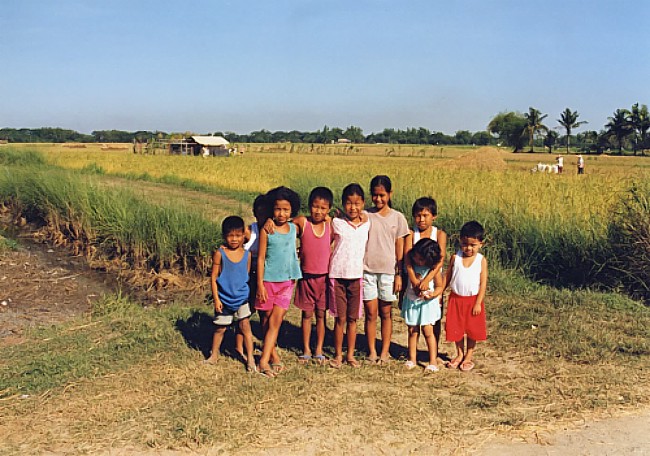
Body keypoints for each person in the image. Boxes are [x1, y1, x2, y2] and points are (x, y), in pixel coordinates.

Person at [256, 186, 302, 377]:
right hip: (267, 281)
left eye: (286, 209)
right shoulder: (267, 230)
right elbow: (260, 258)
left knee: (276, 321)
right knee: (266, 320)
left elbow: (317, 218)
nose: (281, 213)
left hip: (287, 281)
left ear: (292, 210)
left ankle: (263, 361)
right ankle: (272, 354)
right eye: (277, 209)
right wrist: (259, 284)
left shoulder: (294, 228)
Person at [363, 175, 409, 364]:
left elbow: (400, 249)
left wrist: (399, 274)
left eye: (382, 195)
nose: (378, 199)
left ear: (390, 194)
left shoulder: (398, 218)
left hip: (389, 273)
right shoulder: (365, 216)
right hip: (367, 271)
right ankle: (372, 350)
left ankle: (385, 351)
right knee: (370, 313)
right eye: (375, 195)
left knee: (386, 313)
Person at [205, 216, 256, 373]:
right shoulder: (220, 253)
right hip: (224, 298)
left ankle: (251, 358)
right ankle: (214, 354)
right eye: (230, 235)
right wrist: (216, 298)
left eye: (238, 235)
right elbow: (213, 277)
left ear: (243, 236)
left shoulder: (247, 255)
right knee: (221, 328)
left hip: (241, 298)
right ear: (224, 236)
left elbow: (245, 275)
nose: (234, 239)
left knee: (245, 326)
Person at [328, 183, 370, 369]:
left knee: (353, 319)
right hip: (337, 275)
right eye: (349, 203)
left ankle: (350, 355)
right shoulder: (335, 223)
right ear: (343, 204)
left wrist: (365, 215)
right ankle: (338, 355)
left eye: (357, 203)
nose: (353, 207)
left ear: (363, 203)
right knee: (340, 318)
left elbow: (368, 216)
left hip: (356, 277)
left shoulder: (366, 223)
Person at [294, 187, 334, 365]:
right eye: (315, 207)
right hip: (306, 278)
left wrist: (331, 218)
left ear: (329, 209)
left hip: (324, 279)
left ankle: (318, 349)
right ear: (309, 206)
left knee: (321, 315)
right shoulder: (303, 223)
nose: (318, 211)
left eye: (323, 208)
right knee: (307, 315)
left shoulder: (330, 225)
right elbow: (286, 228)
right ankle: (306, 349)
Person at [403, 197, 447, 349]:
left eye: (425, 215)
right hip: (413, 280)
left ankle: (433, 352)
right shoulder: (410, 234)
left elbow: (440, 260)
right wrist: (415, 281)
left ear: (433, 216)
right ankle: (412, 354)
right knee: (414, 320)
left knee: (433, 318)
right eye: (417, 215)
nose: (421, 219)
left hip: (434, 280)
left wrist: (427, 280)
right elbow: (407, 259)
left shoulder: (439, 234)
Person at [444, 221, 488, 372]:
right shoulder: (455, 258)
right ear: (460, 241)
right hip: (456, 300)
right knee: (456, 329)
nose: (468, 248)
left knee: (472, 330)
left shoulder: (481, 260)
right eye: (464, 244)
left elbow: (483, 283)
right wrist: (440, 292)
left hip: (473, 301)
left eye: (472, 245)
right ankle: (459, 354)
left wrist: (478, 303)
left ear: (481, 244)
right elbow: (448, 277)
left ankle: (469, 355)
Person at [232, 194, 270, 360]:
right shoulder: (250, 230)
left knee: (264, 313)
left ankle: (267, 344)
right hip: (248, 276)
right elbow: (235, 236)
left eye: (265, 213)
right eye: (259, 213)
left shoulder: (272, 229)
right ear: (254, 213)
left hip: (266, 275)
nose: (262, 216)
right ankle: (239, 347)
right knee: (245, 313)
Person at [401, 238, 445, 373]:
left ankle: (432, 361)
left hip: (427, 305)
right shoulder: (411, 265)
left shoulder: (432, 270)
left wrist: (432, 295)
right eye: (417, 258)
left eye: (422, 260)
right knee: (412, 331)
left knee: (428, 331)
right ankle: (412, 358)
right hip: (412, 302)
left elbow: (439, 287)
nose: (419, 261)